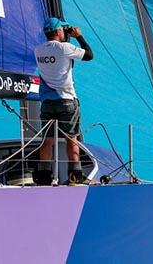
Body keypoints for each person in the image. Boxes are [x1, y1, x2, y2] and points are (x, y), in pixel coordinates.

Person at [33, 17, 93, 185]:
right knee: (71, 139)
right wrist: (78, 36)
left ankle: (44, 177)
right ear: (59, 31)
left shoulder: (38, 50)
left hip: (46, 102)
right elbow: (89, 55)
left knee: (48, 140)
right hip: (66, 99)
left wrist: (65, 34)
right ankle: (75, 176)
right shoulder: (65, 48)